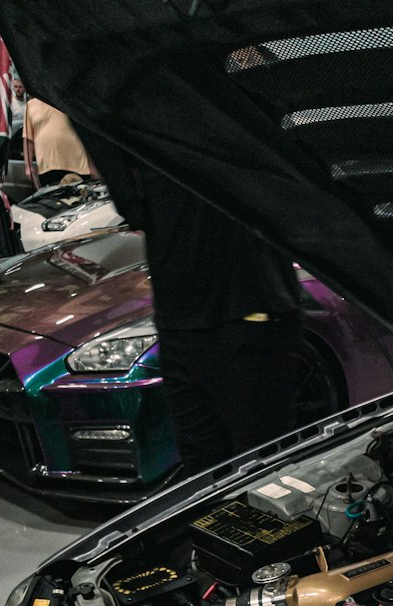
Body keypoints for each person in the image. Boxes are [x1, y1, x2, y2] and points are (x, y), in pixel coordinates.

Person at [80, 130, 306, 474]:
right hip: (200, 320)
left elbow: (131, 203)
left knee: (253, 471)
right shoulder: (176, 122)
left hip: (236, 317)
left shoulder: (182, 121)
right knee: (226, 472)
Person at [22, 98, 93, 187]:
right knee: (52, 200)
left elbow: (87, 133)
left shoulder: (71, 99)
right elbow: (28, 139)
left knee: (80, 200)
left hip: (77, 165)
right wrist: (28, 166)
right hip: (48, 167)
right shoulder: (31, 105)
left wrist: (93, 166)